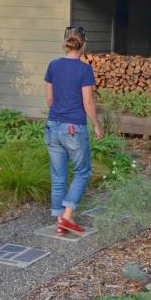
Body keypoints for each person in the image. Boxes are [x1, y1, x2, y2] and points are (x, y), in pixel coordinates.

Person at [43, 25, 103, 235]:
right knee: (82, 172)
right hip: (73, 128)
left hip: (52, 126)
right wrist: (96, 125)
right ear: (83, 44)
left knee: (58, 176)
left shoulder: (53, 65)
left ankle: (60, 221)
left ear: (66, 42)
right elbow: (88, 102)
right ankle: (67, 217)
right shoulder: (84, 69)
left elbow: (50, 99)